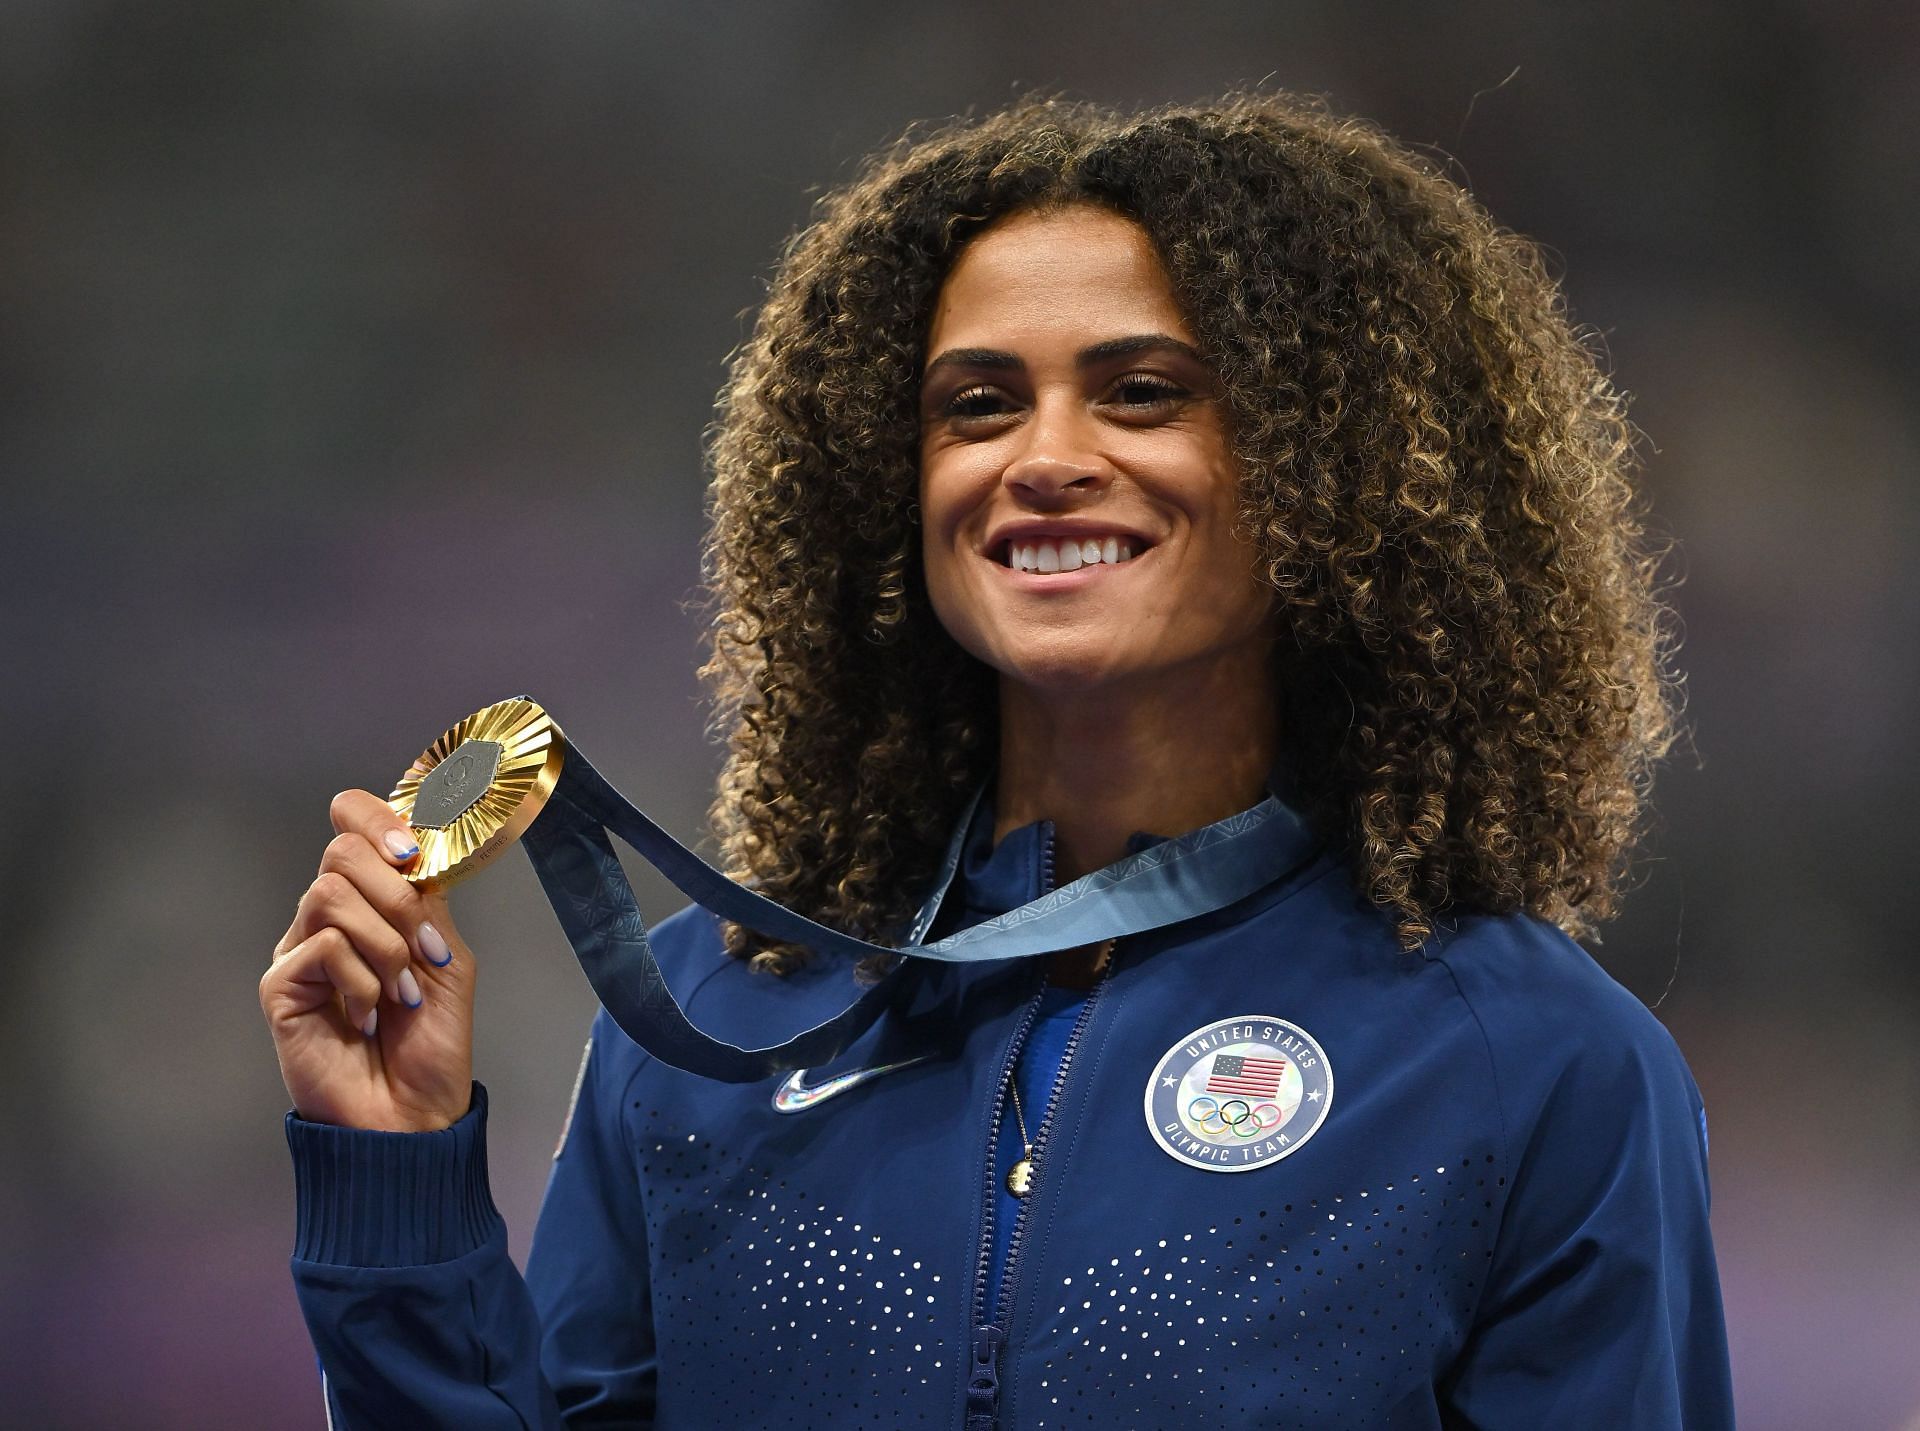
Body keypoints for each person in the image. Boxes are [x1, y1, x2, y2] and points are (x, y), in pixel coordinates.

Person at [261, 94, 1733, 1428]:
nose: (1043, 456)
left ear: (1330, 465)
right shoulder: (702, 1028)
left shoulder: (1530, 1064)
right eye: (977, 404)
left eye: (1143, 391)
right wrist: (399, 1177)